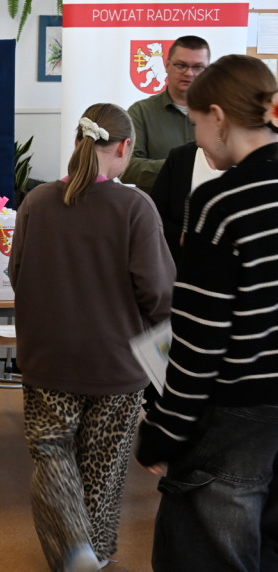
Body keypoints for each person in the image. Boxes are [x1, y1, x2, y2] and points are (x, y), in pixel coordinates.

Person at [8, 104, 174, 571]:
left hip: (47, 359)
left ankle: (71, 547)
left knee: (51, 452)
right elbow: (159, 293)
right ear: (124, 148)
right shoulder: (135, 207)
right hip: (117, 365)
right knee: (103, 468)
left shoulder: (36, 202)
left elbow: (17, 274)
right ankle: (95, 555)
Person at [137, 54, 278, 571]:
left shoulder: (221, 203)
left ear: (217, 116)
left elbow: (200, 340)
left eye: (196, 123)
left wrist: (163, 428)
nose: (196, 139)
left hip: (233, 413)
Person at [120, 35, 210, 193]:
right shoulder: (141, 112)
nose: (189, 73)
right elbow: (125, 168)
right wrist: (179, 166)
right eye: (181, 65)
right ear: (167, 65)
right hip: (158, 214)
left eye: (197, 67)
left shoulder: (221, 113)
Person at [148, 141, 221, 265]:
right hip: (178, 265)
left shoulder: (247, 160)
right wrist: (181, 237)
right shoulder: (180, 156)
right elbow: (154, 216)